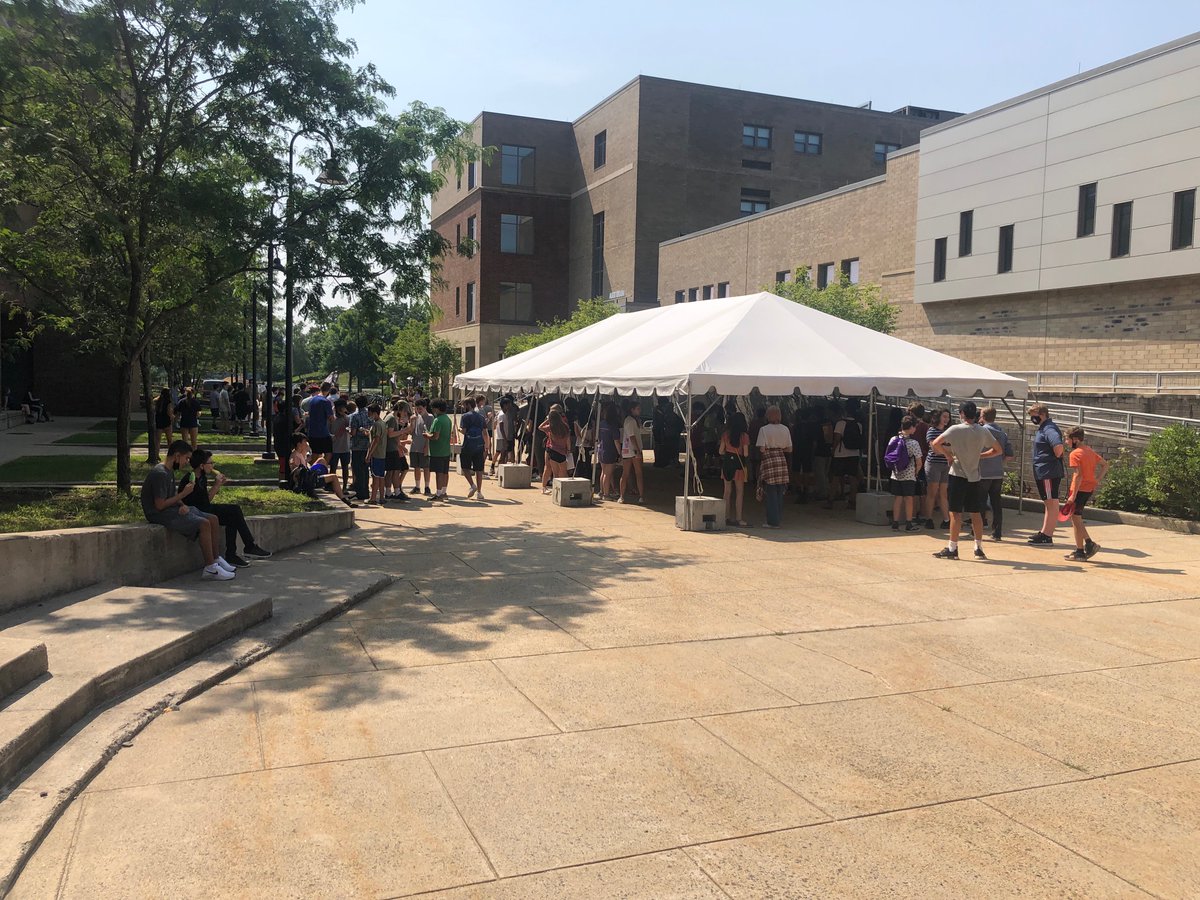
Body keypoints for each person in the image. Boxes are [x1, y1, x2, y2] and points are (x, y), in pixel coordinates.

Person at [140, 440, 233, 581]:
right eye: (186, 458)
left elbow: (171, 496)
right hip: (159, 514)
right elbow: (159, 505)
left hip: (170, 509)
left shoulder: (168, 471)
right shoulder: (160, 474)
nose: (187, 462)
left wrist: (181, 503)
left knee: (213, 519)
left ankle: (215, 559)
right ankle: (210, 568)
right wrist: (183, 495)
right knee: (203, 523)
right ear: (177, 456)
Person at [930, 400, 1002, 560]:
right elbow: (998, 450)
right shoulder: (982, 431)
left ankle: (952, 548)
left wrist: (948, 455)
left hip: (957, 474)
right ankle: (978, 547)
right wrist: (981, 456)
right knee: (976, 513)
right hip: (974, 476)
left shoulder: (955, 429)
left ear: (962, 414)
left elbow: (935, 444)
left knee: (955, 513)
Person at [181, 449, 273, 567]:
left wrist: (217, 484)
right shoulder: (191, 478)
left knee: (233, 514)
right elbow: (193, 502)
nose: (213, 466)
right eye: (210, 463)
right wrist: (216, 485)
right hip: (197, 512)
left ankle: (232, 554)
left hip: (204, 508)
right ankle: (248, 547)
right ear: (202, 466)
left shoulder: (202, 477)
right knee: (234, 511)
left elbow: (206, 500)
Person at [1064, 427, 1108, 561]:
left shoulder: (1075, 454)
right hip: (1088, 488)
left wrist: (1073, 495)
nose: (1066, 442)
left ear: (1075, 439)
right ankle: (1081, 549)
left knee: (1076, 518)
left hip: (1079, 489)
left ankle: (1086, 546)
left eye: (1067, 439)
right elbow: (1105, 465)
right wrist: (1097, 479)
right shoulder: (1089, 451)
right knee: (1076, 518)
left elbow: (1078, 475)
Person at [1027, 403, 1067, 546]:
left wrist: (1054, 456)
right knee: (1048, 502)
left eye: (1033, 416)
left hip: (1047, 471)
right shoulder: (1044, 428)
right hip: (1045, 471)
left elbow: (1058, 447)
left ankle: (1047, 535)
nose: (1032, 419)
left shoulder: (1049, 429)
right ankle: (1044, 532)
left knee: (1051, 503)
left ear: (1042, 415)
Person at [979, 406, 1015, 541]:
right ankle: (997, 532)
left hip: (983, 472)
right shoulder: (1002, 433)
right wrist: (1000, 463)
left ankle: (977, 530)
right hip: (998, 473)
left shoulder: (981, 431)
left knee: (980, 502)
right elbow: (1010, 455)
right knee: (996, 503)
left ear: (983, 416)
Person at [290, 433, 355, 506]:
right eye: (304, 442)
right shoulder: (295, 456)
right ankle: (343, 498)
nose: (306, 443)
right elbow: (297, 472)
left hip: (308, 476)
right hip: (308, 481)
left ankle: (327, 483)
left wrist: (306, 455)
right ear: (299, 444)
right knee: (334, 477)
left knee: (321, 460)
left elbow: (304, 462)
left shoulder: (299, 453)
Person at [755, 405, 792, 528]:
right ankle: (778, 518)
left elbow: (761, 448)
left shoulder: (764, 429)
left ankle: (772, 521)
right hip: (781, 459)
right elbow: (789, 448)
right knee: (779, 491)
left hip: (769, 459)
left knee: (770, 492)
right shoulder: (786, 429)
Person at [886, 415, 924, 532]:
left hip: (896, 474)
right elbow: (919, 461)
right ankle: (908, 523)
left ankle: (895, 523)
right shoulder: (913, 443)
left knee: (897, 498)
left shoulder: (893, 439)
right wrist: (916, 473)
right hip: (909, 474)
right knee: (909, 498)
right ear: (911, 427)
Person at [828, 399, 863, 509]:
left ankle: (830, 500)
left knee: (836, 477)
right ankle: (852, 501)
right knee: (853, 478)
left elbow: (837, 438)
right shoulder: (858, 424)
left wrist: (833, 450)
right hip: (854, 454)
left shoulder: (840, 423)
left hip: (841, 454)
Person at [720, 411, 751, 526]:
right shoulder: (745, 436)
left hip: (727, 464)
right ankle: (739, 518)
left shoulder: (725, 434)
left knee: (727, 492)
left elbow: (720, 451)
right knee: (739, 492)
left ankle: (725, 517)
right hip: (739, 465)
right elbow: (746, 454)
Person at [923, 408, 952, 529]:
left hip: (946, 465)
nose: (946, 419)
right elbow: (934, 449)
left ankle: (946, 520)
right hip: (933, 464)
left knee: (943, 493)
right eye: (944, 416)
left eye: (948, 417)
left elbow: (951, 448)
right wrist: (945, 450)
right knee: (932, 492)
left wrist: (942, 448)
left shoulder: (948, 431)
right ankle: (928, 519)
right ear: (938, 417)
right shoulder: (932, 430)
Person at [459, 396, 490, 500]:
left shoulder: (464, 417)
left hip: (468, 445)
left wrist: (459, 430)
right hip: (479, 445)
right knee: (479, 469)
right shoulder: (481, 417)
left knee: (465, 468)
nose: (463, 407)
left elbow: (464, 431)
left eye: (464, 405)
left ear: (468, 405)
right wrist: (487, 445)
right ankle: (480, 492)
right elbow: (485, 433)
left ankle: (472, 485)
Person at [424, 399, 456, 501]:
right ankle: (444, 492)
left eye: (433, 408)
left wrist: (427, 435)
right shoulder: (447, 419)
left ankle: (438, 494)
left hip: (437, 451)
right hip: (446, 450)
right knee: (445, 472)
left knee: (438, 473)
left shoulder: (437, 420)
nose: (432, 410)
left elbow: (435, 436)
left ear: (437, 408)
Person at [540, 405, 573, 495]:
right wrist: (569, 449)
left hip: (552, 448)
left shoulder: (553, 425)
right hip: (559, 449)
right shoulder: (564, 424)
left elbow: (540, 427)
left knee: (554, 471)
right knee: (560, 471)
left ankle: (552, 488)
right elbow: (568, 438)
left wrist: (548, 420)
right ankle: (554, 488)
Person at [618, 400, 645, 503]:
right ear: (632, 410)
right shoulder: (630, 420)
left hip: (629, 449)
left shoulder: (634, 420)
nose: (640, 410)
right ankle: (622, 496)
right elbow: (632, 436)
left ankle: (640, 495)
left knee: (635, 473)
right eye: (638, 408)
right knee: (629, 473)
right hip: (630, 450)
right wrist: (637, 450)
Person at [348, 395, 372, 502]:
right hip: (368, 445)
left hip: (357, 445)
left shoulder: (354, 416)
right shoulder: (370, 414)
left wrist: (348, 430)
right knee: (365, 469)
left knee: (357, 470)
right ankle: (366, 491)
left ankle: (360, 492)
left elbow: (352, 432)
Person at [598, 401, 622, 500]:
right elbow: (616, 441)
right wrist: (620, 453)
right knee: (608, 474)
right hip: (610, 451)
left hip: (601, 449)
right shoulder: (613, 425)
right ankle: (606, 494)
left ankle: (601, 491)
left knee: (603, 473)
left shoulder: (602, 423)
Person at [306, 382, 335, 466]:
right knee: (328, 453)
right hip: (323, 432)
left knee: (315, 453)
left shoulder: (312, 400)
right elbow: (331, 418)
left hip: (312, 431)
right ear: (329, 390)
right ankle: (322, 467)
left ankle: (312, 470)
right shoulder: (326, 402)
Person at [365, 403, 389, 505]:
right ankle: (382, 497)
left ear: (374, 413)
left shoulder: (376, 424)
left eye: (370, 413)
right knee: (381, 476)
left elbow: (376, 440)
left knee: (375, 476)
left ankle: (373, 497)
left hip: (376, 454)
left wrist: (369, 454)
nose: (368, 415)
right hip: (382, 453)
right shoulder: (382, 423)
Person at [409, 398, 433, 496]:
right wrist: (411, 422)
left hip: (424, 445)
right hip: (415, 445)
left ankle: (427, 486)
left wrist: (427, 446)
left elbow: (430, 433)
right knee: (416, 467)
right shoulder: (416, 417)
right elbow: (411, 432)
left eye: (420, 408)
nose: (418, 410)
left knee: (426, 467)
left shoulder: (430, 417)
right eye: (417, 408)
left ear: (425, 407)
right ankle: (417, 486)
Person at [330, 399, 352, 492]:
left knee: (345, 468)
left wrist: (347, 428)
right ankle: (331, 486)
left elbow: (351, 430)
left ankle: (344, 487)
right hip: (334, 448)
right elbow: (328, 433)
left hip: (345, 447)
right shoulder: (331, 419)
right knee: (333, 468)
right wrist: (335, 436)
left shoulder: (347, 418)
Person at [153, 388, 175, 453]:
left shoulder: (156, 401)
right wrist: (173, 417)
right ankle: (170, 454)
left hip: (158, 421)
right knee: (169, 440)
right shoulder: (168, 402)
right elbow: (169, 412)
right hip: (167, 422)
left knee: (157, 440)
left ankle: (156, 454)